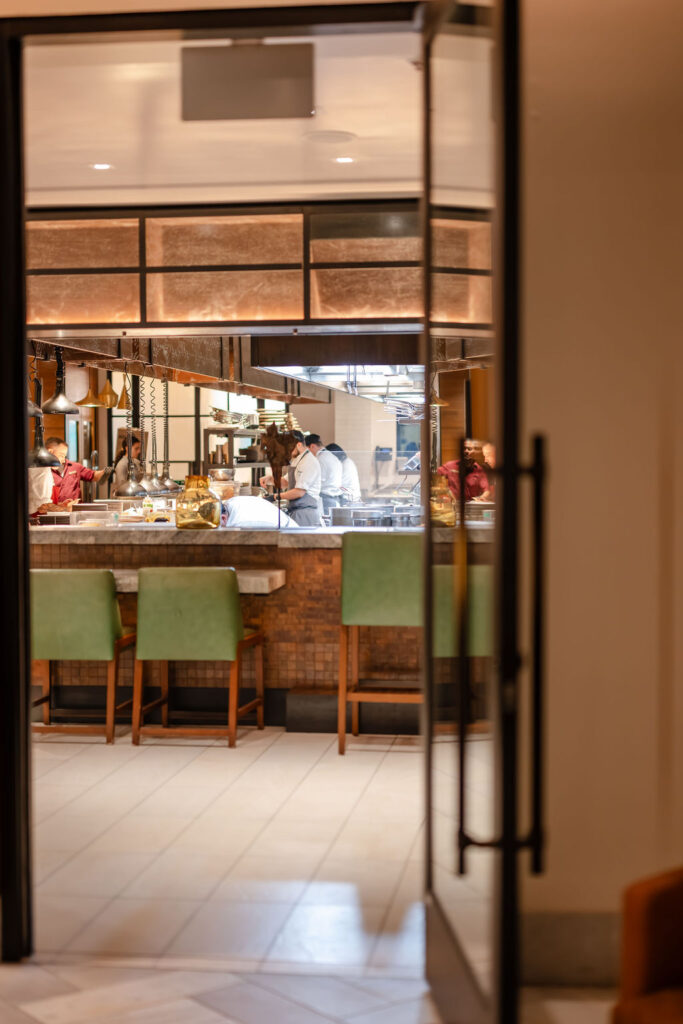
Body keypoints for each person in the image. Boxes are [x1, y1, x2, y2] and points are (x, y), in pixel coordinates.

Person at [259, 429, 322, 526]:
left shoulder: (309, 462)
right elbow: (285, 482)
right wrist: (270, 479)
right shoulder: (298, 460)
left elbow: (299, 492)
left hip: (305, 515)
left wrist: (275, 497)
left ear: (299, 445)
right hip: (297, 512)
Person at [45, 437, 111, 504]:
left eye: (65, 456)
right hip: (55, 511)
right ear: (50, 452)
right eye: (61, 455)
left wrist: (106, 471)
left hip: (75, 510)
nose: (63, 459)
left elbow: (93, 475)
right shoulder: (44, 472)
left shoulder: (75, 467)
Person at [304, 434, 342, 514]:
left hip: (326, 499)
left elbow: (316, 481)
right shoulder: (331, 456)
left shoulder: (320, 459)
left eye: (307, 450)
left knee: (325, 525)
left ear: (312, 446)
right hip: (335, 498)